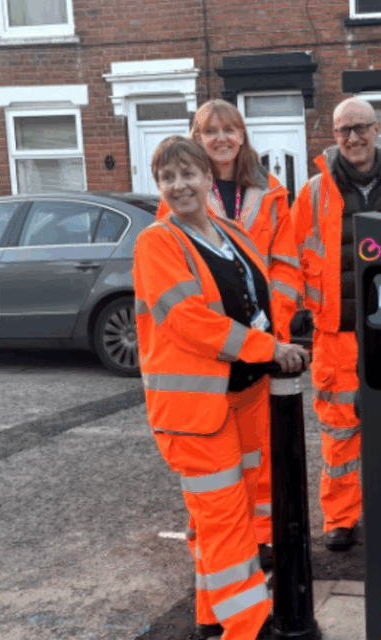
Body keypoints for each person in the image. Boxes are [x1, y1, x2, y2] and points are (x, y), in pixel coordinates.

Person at [134, 136, 311, 640]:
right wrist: (267, 348)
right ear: (160, 187)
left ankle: (213, 619)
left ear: (209, 178)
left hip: (243, 396)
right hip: (196, 410)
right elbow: (189, 320)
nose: (179, 185)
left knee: (221, 518)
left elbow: (261, 296)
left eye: (188, 174)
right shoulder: (157, 242)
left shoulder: (231, 232)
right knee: (225, 520)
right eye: (168, 178)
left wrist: (278, 339)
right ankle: (250, 628)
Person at [155, 99, 303, 566]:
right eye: (209, 131)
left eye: (229, 129)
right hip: (213, 354)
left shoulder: (271, 191)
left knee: (257, 458)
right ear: (197, 141)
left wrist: (269, 317)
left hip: (261, 344)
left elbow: (286, 263)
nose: (221, 138)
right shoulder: (181, 194)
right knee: (215, 473)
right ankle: (217, 553)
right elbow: (179, 291)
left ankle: (258, 541)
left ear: (242, 135)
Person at [292, 97, 381, 551]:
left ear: (378, 128)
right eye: (343, 129)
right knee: (340, 432)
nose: (353, 137)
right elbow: (292, 262)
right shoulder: (312, 192)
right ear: (334, 136)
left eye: (361, 127)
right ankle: (341, 518)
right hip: (337, 335)